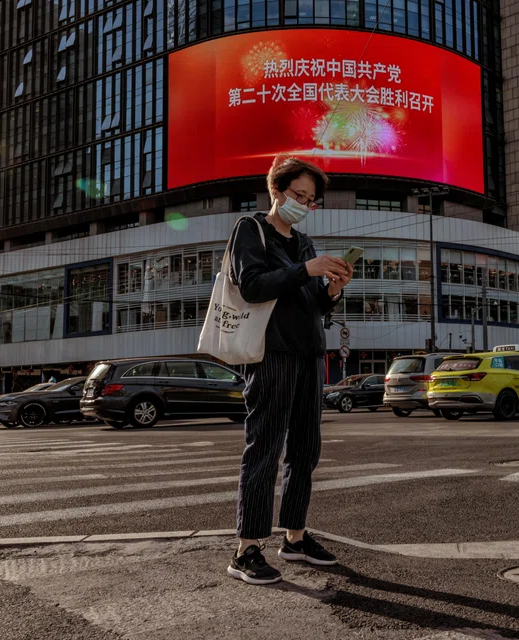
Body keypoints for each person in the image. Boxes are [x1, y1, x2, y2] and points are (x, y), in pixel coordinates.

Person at [227, 155, 353, 586]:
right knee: (264, 446)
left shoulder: (303, 242)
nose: (303, 204)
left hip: (309, 354)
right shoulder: (252, 229)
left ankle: (294, 537)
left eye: (311, 200)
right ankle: (246, 549)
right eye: (298, 195)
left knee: (305, 450)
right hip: (272, 353)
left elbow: (314, 304)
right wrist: (305, 270)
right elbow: (253, 285)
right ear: (276, 191)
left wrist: (331, 290)